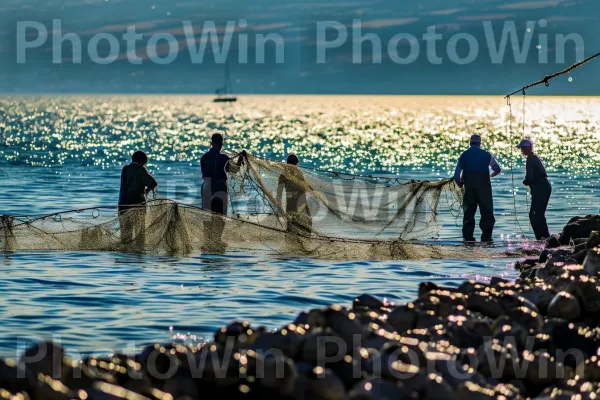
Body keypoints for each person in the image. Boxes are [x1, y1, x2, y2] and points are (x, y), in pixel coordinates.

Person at [454, 134, 502, 243]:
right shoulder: (486, 155)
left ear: (470, 143)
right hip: (485, 189)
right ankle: (486, 239)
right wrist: (489, 176)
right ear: (480, 143)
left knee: (468, 214)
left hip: (469, 190)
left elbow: (456, 175)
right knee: (487, 214)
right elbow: (497, 169)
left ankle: (468, 239)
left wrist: (460, 184)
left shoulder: (464, 155)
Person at [200, 133, 244, 247]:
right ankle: (217, 240)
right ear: (221, 144)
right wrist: (240, 159)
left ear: (211, 143)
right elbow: (235, 170)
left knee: (207, 214)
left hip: (206, 187)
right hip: (219, 187)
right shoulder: (224, 158)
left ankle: (207, 240)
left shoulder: (204, 157)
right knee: (220, 215)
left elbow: (205, 172)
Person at [118, 151, 158, 249]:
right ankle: (139, 251)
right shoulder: (141, 169)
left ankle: (125, 252)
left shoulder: (125, 168)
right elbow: (153, 183)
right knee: (140, 231)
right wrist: (147, 191)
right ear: (143, 161)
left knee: (126, 232)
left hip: (122, 202)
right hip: (137, 202)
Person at [517, 138, 552, 240]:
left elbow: (530, 177)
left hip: (540, 188)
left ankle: (541, 238)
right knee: (539, 214)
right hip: (544, 187)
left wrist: (526, 181)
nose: (521, 150)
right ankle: (545, 237)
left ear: (527, 148)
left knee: (534, 215)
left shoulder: (530, 159)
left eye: (522, 148)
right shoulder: (534, 157)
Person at [276, 154, 312, 234]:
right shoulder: (299, 173)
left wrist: (278, 202)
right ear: (296, 163)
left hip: (291, 201)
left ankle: (291, 238)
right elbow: (305, 186)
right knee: (306, 221)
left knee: (291, 222)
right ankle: (305, 237)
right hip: (300, 200)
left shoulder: (283, 174)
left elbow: (279, 190)